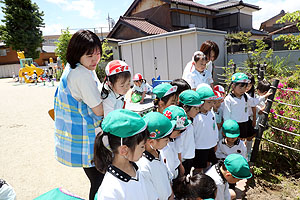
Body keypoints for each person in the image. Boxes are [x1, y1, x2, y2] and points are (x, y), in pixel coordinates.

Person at [53, 30, 104, 200]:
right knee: (100, 181)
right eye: (90, 55)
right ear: (77, 53)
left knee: (97, 180)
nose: (95, 59)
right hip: (88, 139)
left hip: (80, 137)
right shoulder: (81, 74)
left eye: (97, 53)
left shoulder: (73, 68)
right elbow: (99, 110)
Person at [94, 109, 149, 200]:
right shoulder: (110, 191)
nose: (144, 150)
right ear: (124, 150)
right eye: (142, 147)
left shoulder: (136, 168)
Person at [137, 112, 175, 200]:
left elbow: (166, 176)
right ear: (151, 142)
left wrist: (171, 194)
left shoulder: (157, 152)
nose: (168, 142)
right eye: (166, 140)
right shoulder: (143, 165)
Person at [160, 105, 191, 180]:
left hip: (176, 171)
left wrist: (180, 166)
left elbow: (176, 154)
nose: (180, 134)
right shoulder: (162, 146)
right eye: (179, 131)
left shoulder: (173, 139)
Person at [223, 73, 256, 141]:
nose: (242, 90)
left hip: (244, 124)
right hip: (233, 126)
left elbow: (253, 102)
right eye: (240, 87)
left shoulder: (245, 96)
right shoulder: (229, 99)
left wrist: (265, 96)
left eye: (245, 87)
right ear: (233, 86)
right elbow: (226, 115)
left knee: (242, 141)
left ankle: (243, 151)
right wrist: (227, 128)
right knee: (233, 142)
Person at [193, 85, 218, 173]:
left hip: (211, 146)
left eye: (213, 102)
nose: (212, 104)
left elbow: (214, 129)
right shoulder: (196, 117)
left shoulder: (211, 114)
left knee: (209, 164)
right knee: (199, 167)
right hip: (199, 148)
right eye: (209, 102)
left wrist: (215, 141)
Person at [178, 90, 203, 174]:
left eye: (199, 108)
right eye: (195, 108)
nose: (198, 111)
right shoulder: (182, 125)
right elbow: (179, 147)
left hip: (189, 157)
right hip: (183, 160)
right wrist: (180, 164)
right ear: (185, 107)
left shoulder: (191, 120)